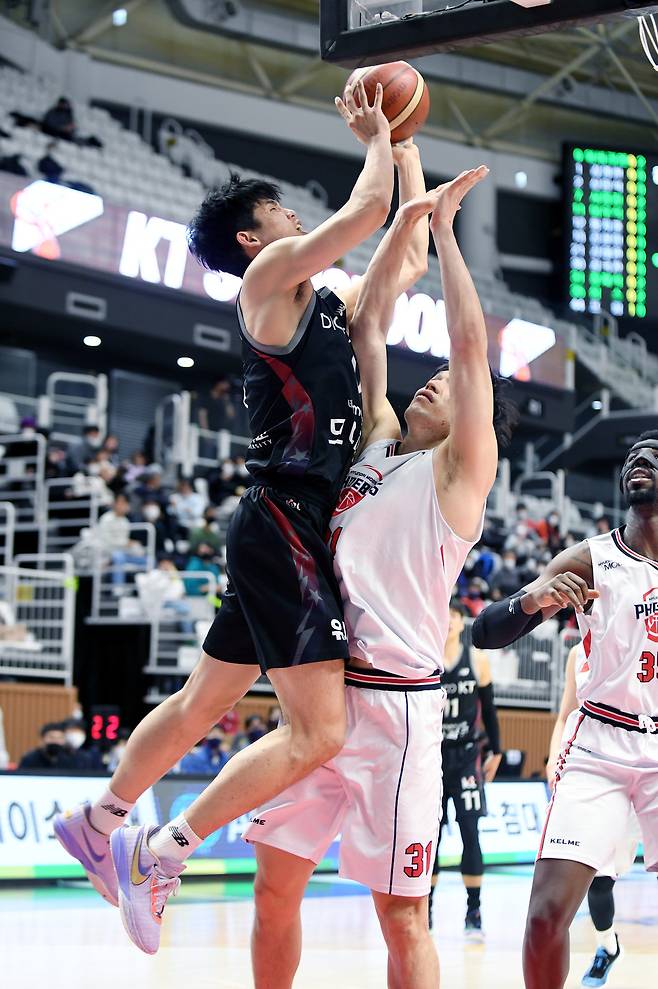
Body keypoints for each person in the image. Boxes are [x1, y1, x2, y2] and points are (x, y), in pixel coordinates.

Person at [55, 80, 398, 938]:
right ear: (252, 237)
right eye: (279, 210)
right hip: (286, 516)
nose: (291, 217)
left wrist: (409, 143)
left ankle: (96, 826)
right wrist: (376, 135)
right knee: (319, 729)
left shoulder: (322, 301)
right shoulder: (269, 279)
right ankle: (162, 848)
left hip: (282, 524)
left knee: (203, 700)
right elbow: (368, 209)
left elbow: (399, 253)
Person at [243, 163, 516, 989]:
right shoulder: (380, 444)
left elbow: (469, 349)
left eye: (449, 387)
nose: (431, 379)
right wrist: (402, 160)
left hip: (398, 714)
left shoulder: (460, 475)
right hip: (325, 694)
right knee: (273, 883)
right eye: (424, 379)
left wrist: (446, 237)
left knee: (400, 914)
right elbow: (368, 335)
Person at [471, 429, 658, 989]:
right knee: (545, 917)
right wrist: (532, 599)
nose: (638, 462)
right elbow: (484, 632)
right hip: (599, 744)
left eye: (653, 456)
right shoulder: (591, 559)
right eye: (630, 457)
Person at [547, 641, 640, 988]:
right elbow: (564, 714)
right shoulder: (576, 654)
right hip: (598, 773)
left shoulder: (639, 637)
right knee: (598, 879)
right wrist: (554, 757)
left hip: (646, 766)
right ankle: (607, 945)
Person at [429, 598, 502, 937]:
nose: (448, 622)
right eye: (443, 615)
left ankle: (474, 909)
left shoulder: (478, 659)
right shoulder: (424, 657)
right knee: (428, 835)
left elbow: (489, 710)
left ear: (461, 623)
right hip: (430, 758)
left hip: (467, 757)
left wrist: (497, 751)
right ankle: (424, 906)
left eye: (454, 617)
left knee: (470, 833)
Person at [19, 722, 86, 771]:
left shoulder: (71, 759)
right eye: (51, 737)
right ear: (42, 739)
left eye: (60, 738)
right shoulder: (30, 759)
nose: (55, 741)